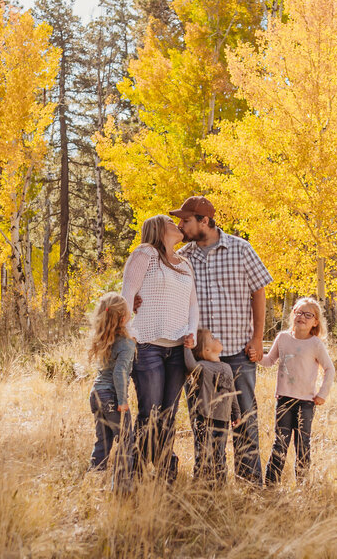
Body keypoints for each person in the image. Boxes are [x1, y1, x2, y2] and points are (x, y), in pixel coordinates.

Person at [172, 195, 272, 484]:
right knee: (203, 421)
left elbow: (259, 291)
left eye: (186, 220)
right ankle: (209, 482)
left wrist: (257, 338)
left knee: (245, 420)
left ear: (205, 220)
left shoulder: (241, 249)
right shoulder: (184, 257)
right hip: (201, 359)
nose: (181, 226)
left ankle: (250, 482)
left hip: (239, 350)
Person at [122, 214, 198, 482]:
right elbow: (128, 292)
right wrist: (128, 330)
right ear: (157, 228)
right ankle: (134, 472)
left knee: (168, 414)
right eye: (170, 221)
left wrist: (192, 333)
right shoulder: (145, 254)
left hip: (178, 349)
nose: (177, 225)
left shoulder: (185, 264)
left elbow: (192, 305)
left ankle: (165, 471)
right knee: (150, 412)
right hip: (147, 345)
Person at [261, 297, 335, 485]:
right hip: (284, 400)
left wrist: (322, 394)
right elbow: (269, 361)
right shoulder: (283, 338)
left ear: (315, 322)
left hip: (306, 403)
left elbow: (329, 369)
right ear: (293, 314)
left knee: (302, 445)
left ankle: (302, 486)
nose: (302, 317)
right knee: (280, 443)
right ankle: (271, 485)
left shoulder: (315, 344)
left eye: (308, 315)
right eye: (298, 312)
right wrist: (255, 356)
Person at [87, 292, 136, 490]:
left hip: (96, 394)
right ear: (123, 317)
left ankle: (92, 480)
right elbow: (119, 373)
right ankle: (122, 487)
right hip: (111, 398)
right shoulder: (126, 343)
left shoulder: (105, 339)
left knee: (103, 440)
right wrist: (122, 400)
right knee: (126, 439)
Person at [183, 328, 241, 483]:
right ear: (206, 349)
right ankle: (201, 486)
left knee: (220, 454)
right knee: (203, 454)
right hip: (205, 418)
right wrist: (187, 347)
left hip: (223, 420)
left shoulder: (227, 367)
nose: (217, 339)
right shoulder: (202, 367)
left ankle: (220, 486)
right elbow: (189, 365)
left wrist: (236, 413)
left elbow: (231, 392)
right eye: (212, 338)